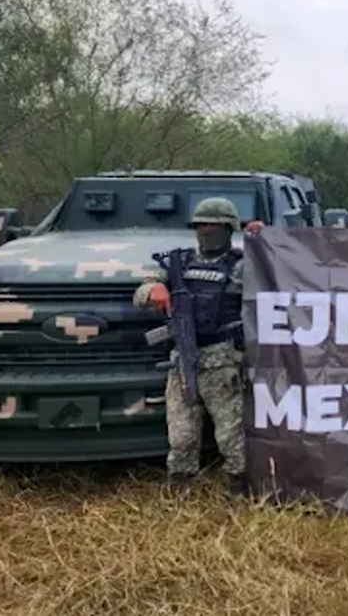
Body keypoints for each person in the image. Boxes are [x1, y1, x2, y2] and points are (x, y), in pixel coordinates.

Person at [132, 197, 264, 496]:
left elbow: (282, 274)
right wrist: (153, 288)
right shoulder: (179, 262)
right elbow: (140, 293)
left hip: (223, 362)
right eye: (201, 225)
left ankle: (240, 487)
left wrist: (265, 242)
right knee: (181, 435)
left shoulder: (243, 264)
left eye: (213, 226)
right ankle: (180, 487)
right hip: (182, 362)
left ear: (229, 228)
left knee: (231, 434)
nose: (206, 231)